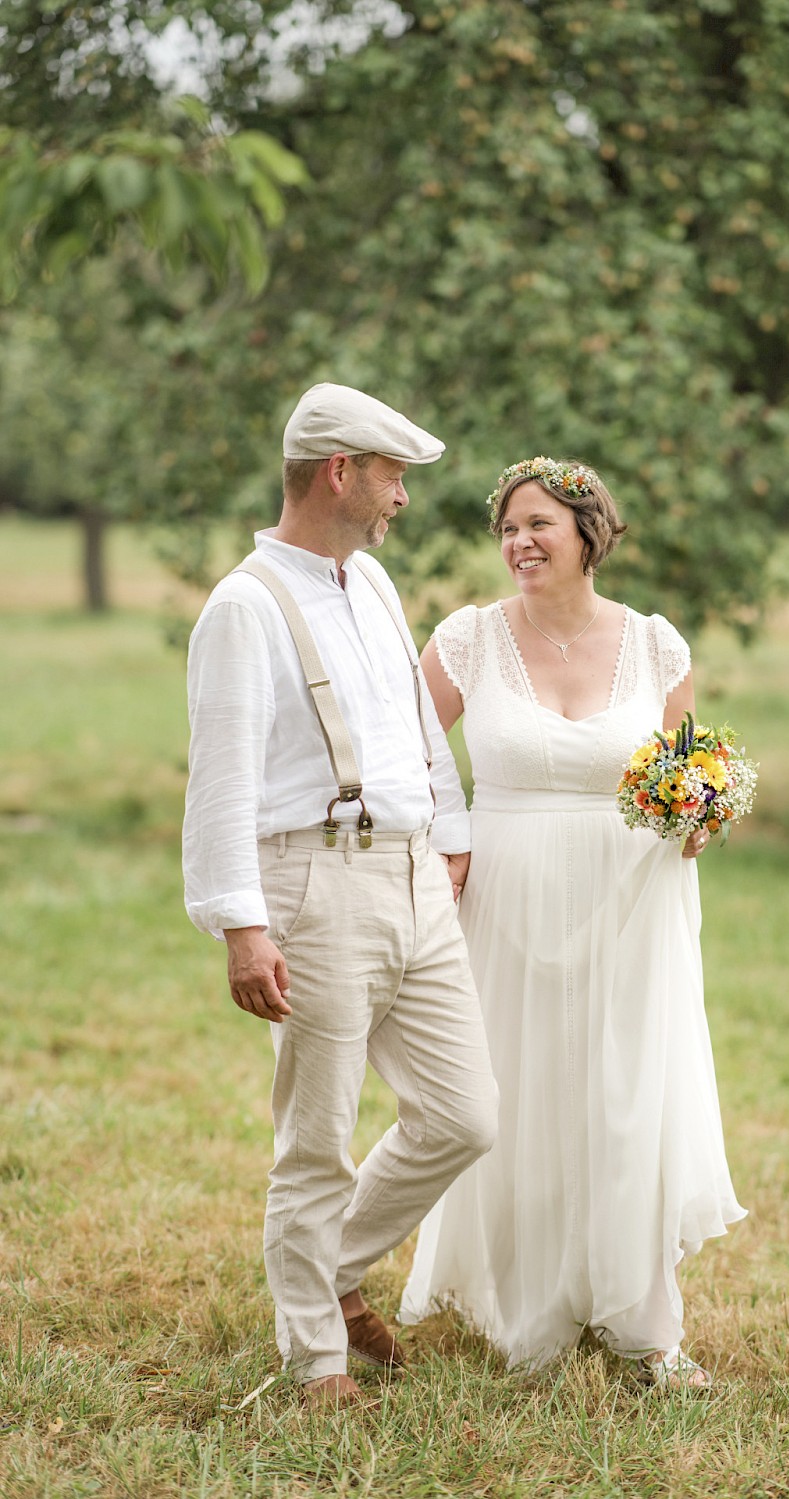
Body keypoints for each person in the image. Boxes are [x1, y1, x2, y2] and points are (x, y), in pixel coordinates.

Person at [182, 383, 498, 1407]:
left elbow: (415, 728)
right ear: (338, 472)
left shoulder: (372, 584)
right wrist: (241, 924)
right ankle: (315, 1352)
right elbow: (222, 775)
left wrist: (447, 836)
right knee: (315, 1132)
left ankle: (331, 1271)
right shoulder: (244, 604)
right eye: (392, 475)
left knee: (464, 1114)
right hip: (311, 881)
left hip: (410, 874)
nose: (400, 496)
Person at [400, 457, 746, 1389]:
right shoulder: (467, 639)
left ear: (589, 533)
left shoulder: (655, 644)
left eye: (538, 524)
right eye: (508, 527)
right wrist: (451, 834)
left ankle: (640, 1320)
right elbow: (407, 753)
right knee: (516, 1092)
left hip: (630, 897)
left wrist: (700, 811)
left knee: (623, 1091)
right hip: (505, 894)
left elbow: (687, 770)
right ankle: (530, 1312)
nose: (519, 542)